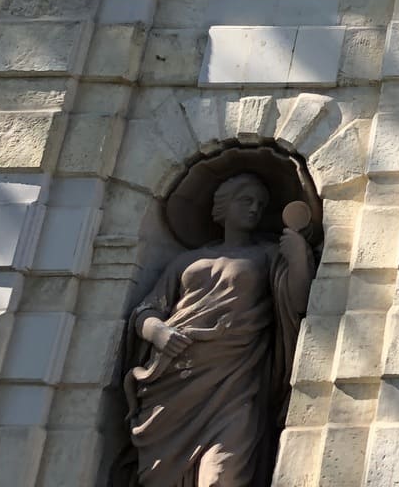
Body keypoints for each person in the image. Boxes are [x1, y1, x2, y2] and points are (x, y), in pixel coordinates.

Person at [127, 173, 315, 487]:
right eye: (247, 200)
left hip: (236, 381)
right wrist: (157, 332)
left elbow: (298, 303)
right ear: (223, 207)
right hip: (175, 379)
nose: (255, 208)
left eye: (261, 204)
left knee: (221, 476)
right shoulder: (187, 260)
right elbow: (147, 310)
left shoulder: (267, 254)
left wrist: (298, 258)